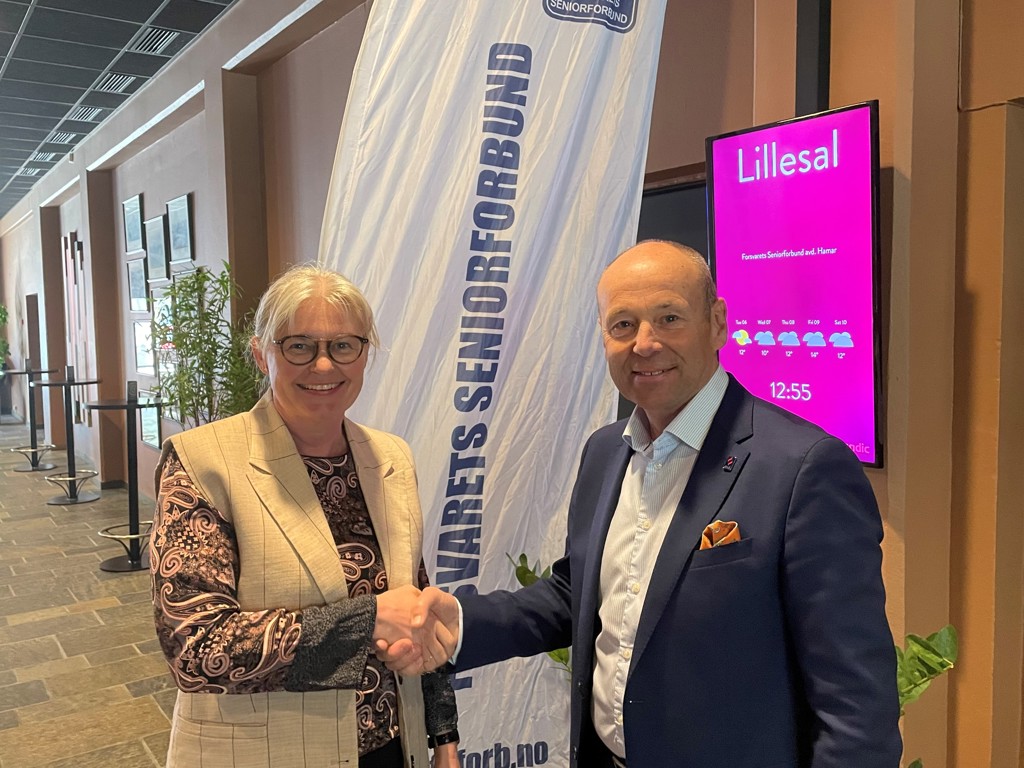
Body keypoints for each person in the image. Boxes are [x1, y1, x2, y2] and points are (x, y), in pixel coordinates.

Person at [383, 240, 902, 767]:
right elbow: (577, 594)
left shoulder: (804, 467)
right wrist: (460, 623)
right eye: (623, 324)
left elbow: (856, 704)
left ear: (717, 324)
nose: (645, 343)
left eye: (669, 318)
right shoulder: (605, 451)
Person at [151, 264, 459, 768]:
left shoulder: (392, 459)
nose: (323, 365)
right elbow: (196, 648)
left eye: (344, 345)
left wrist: (444, 737)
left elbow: (416, 607)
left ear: (365, 354)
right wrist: (367, 621)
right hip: (263, 755)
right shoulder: (202, 461)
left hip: (391, 746)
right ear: (261, 354)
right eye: (299, 346)